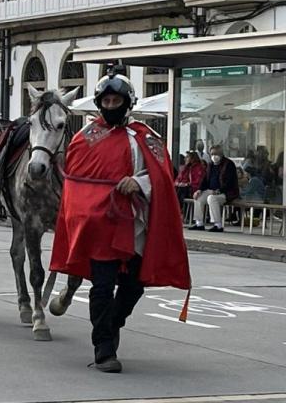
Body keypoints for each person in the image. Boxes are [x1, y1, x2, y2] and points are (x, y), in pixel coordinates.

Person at [49, 71, 190, 374]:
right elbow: (76, 185)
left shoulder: (146, 137)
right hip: (100, 227)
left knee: (134, 287)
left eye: (116, 101)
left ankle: (112, 325)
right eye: (107, 101)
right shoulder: (85, 138)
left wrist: (139, 183)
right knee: (102, 287)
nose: (111, 105)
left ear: (127, 103)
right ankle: (104, 349)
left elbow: (163, 176)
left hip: (136, 227)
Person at [189, 145, 239, 233]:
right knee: (198, 197)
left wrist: (219, 190)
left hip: (226, 192)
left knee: (211, 198)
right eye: (212, 154)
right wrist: (199, 190)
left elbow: (230, 182)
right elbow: (205, 179)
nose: (214, 156)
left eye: (216, 154)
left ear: (221, 154)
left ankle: (218, 225)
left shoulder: (228, 164)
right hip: (211, 191)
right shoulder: (210, 165)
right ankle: (199, 223)